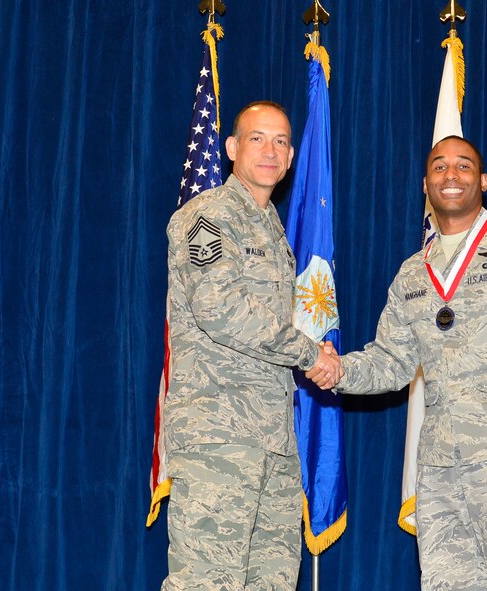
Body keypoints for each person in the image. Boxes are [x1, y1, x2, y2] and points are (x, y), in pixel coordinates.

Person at [310, 136, 487, 590]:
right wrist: (340, 370)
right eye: (439, 167)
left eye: (463, 166)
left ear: (482, 181)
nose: (451, 175)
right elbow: (391, 361)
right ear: (426, 183)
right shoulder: (412, 273)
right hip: (442, 467)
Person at [162, 101, 341, 590]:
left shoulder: (273, 228)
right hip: (219, 437)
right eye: (257, 139)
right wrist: (311, 354)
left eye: (281, 141)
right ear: (232, 149)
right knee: (207, 582)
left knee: (273, 581)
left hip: (273, 443)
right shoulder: (209, 217)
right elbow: (221, 310)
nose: (271, 150)